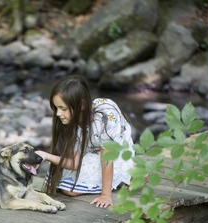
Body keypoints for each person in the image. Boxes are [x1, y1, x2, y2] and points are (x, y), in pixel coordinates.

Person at [35, 75, 134, 208]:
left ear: (81, 105)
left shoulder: (104, 116)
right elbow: (75, 163)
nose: (58, 114)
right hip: (92, 151)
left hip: (114, 152)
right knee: (62, 184)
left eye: (63, 109)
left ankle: (132, 172)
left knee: (71, 190)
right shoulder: (73, 122)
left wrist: (105, 195)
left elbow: (107, 157)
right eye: (56, 108)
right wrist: (45, 155)